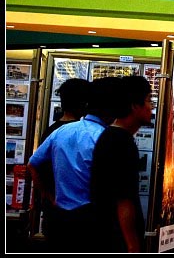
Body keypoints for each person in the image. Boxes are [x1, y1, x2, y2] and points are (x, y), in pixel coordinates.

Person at [28, 76, 118, 252]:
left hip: (58, 216)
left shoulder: (58, 131)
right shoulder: (103, 136)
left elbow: (33, 164)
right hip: (90, 218)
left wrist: (49, 197)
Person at [90, 75, 153, 252]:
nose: (151, 107)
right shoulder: (121, 142)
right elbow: (123, 199)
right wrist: (132, 245)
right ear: (134, 105)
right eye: (149, 100)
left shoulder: (112, 136)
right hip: (116, 240)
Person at [37, 77, 90, 248]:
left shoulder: (51, 131)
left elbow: (36, 166)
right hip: (78, 212)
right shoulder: (82, 132)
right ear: (84, 103)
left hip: (54, 211)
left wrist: (47, 196)